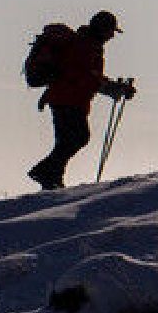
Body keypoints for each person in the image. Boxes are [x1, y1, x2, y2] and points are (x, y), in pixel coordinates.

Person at [27, 10, 135, 190]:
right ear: (102, 29)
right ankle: (45, 172)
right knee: (78, 138)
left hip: (67, 99)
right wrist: (113, 89)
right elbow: (84, 75)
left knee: (68, 141)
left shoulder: (86, 44)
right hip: (68, 99)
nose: (111, 36)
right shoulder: (85, 45)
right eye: (110, 31)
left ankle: (52, 180)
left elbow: (88, 76)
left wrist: (113, 88)